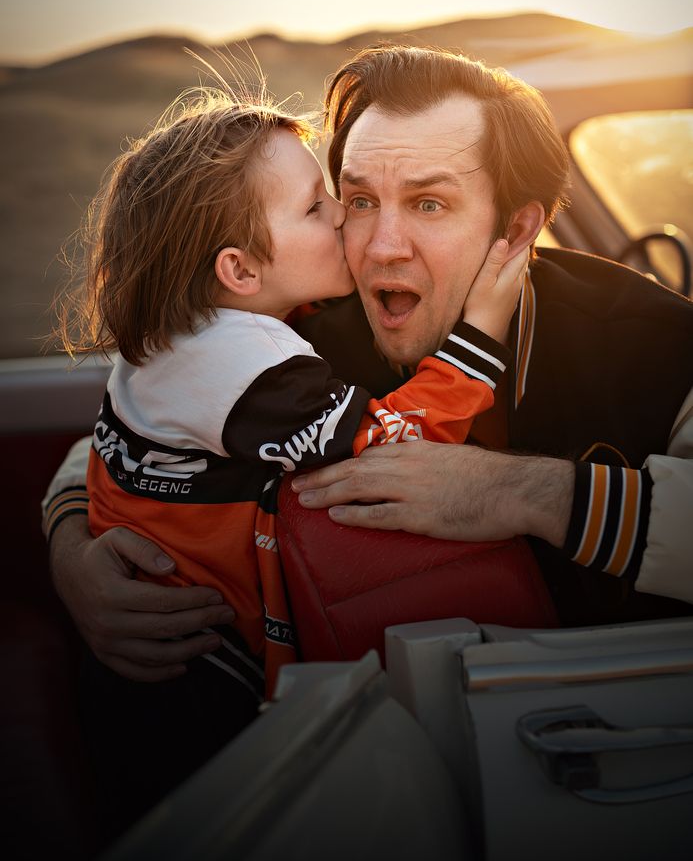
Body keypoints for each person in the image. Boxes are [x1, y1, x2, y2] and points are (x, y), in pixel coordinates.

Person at [44, 45, 693, 695]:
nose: (380, 247)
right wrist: (74, 551)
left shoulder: (658, 345)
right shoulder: (296, 323)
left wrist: (534, 494)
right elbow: (141, 428)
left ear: (517, 228)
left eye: (428, 204)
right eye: (357, 200)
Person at [51, 78, 526, 831]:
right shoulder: (248, 369)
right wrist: (481, 336)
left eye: (339, 196)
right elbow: (393, 441)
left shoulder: (188, 329)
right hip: (191, 679)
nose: (343, 218)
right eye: (318, 206)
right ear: (239, 270)